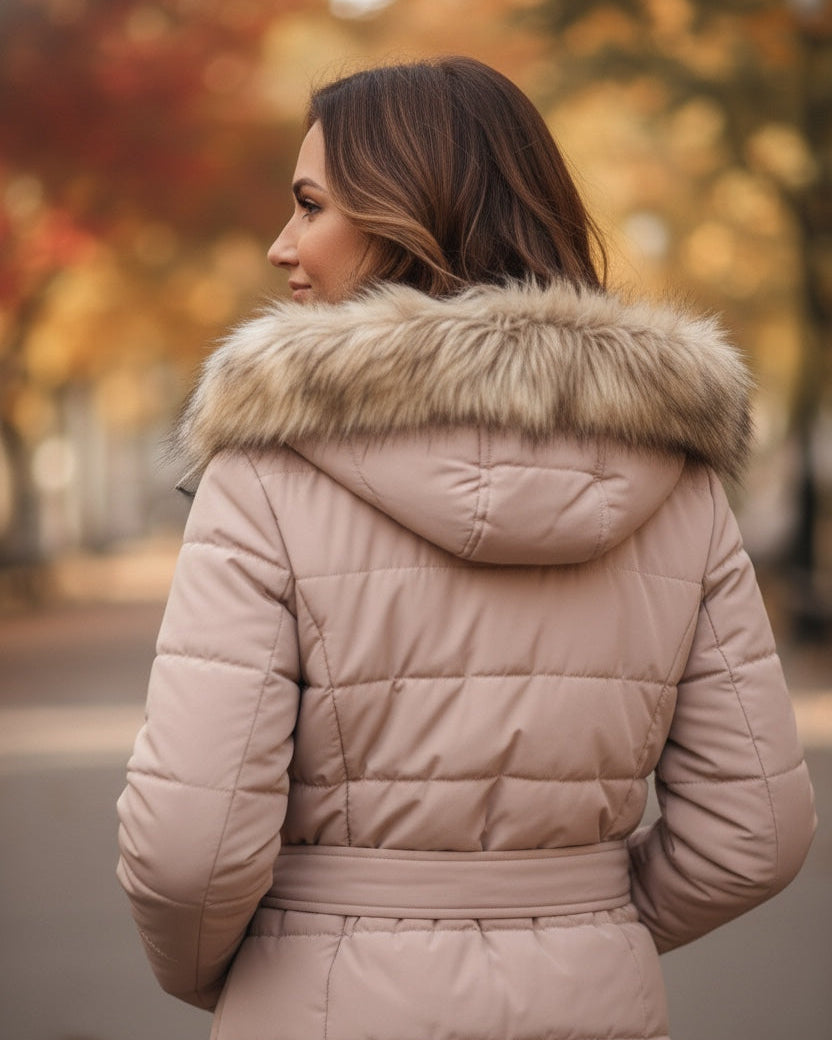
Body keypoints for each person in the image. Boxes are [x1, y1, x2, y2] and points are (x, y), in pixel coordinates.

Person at [117, 56, 816, 1040]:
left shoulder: (265, 476)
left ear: (406, 219)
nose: (282, 246)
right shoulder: (682, 483)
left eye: (310, 206)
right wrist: (576, 921)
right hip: (594, 1000)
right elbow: (758, 831)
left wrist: (230, 977)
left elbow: (189, 848)